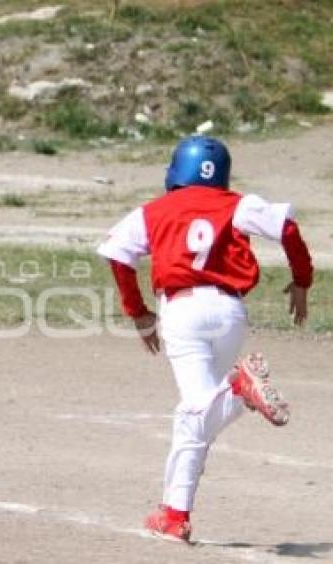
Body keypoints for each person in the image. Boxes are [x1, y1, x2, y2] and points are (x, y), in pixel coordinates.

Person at [97, 135, 313, 542]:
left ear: (176, 170)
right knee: (196, 414)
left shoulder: (155, 210)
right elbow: (286, 227)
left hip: (183, 310)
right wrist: (302, 281)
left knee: (198, 411)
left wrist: (138, 313)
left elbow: (118, 254)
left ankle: (238, 386)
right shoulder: (238, 204)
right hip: (230, 313)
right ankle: (175, 514)